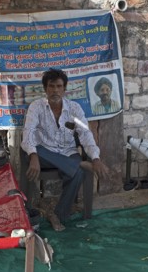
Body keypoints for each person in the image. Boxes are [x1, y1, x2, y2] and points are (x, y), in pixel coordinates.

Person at [21, 68, 107, 231]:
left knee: (79, 173)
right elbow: (28, 133)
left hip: (68, 152)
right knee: (35, 152)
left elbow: (85, 134)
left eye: (59, 86)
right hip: (43, 154)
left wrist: (95, 158)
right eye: (51, 86)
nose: (55, 90)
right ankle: (79, 164)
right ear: (45, 89)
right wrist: (33, 154)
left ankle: (58, 215)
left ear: (64, 89)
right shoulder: (36, 107)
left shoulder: (74, 108)